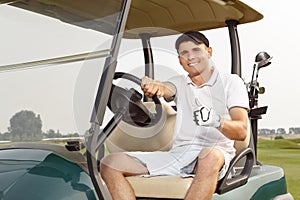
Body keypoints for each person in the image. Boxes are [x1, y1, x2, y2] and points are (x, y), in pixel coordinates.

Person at [100, 31, 249, 200]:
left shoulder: (230, 82)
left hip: (216, 153)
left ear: (209, 52)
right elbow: (164, 88)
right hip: (178, 155)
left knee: (209, 156)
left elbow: (242, 130)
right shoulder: (179, 82)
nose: (190, 56)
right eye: (184, 53)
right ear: (179, 60)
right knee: (109, 163)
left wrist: (216, 121)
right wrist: (153, 85)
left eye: (196, 50)